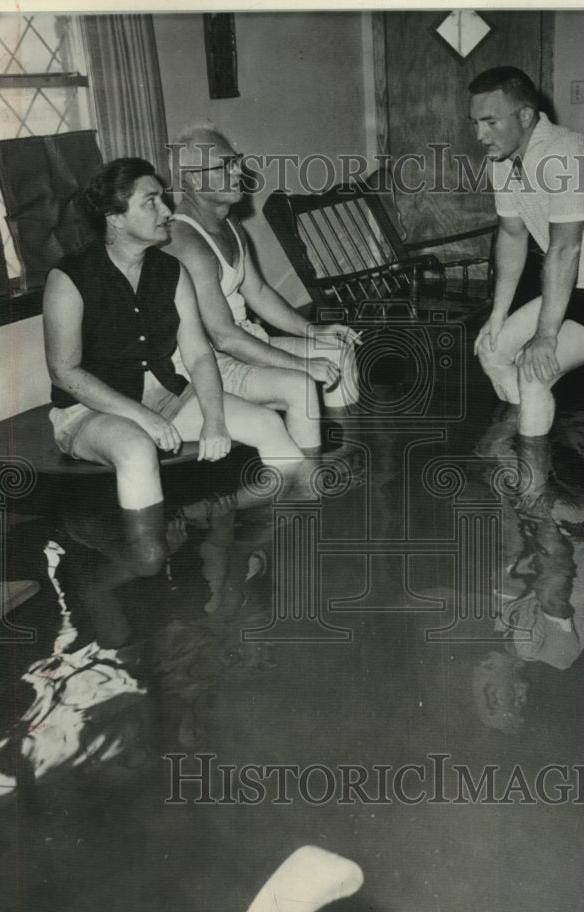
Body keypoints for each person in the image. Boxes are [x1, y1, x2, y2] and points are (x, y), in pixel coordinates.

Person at [43, 157, 307, 643]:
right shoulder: (70, 278)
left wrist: (213, 420)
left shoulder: (170, 270)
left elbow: (200, 355)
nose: (166, 209)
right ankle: (101, 581)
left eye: (163, 198)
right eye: (152, 201)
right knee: (148, 544)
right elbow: (66, 372)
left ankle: (250, 520)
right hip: (90, 412)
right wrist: (140, 416)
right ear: (116, 218)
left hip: (168, 400)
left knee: (272, 430)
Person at [468, 66, 584, 447]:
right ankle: (527, 428)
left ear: (525, 116)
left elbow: (564, 248)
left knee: (534, 372)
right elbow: (511, 234)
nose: (480, 135)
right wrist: (497, 314)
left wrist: (545, 335)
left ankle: (534, 485)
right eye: (475, 123)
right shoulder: (503, 160)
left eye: (490, 122)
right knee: (491, 352)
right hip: (574, 286)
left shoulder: (566, 153)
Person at [164, 124, 361, 461]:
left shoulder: (229, 224)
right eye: (225, 166)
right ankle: (306, 480)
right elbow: (223, 337)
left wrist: (313, 331)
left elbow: (258, 292)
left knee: (337, 351)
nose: (239, 170)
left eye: (236, 161)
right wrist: (301, 363)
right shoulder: (186, 241)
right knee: (299, 382)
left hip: (243, 343)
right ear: (194, 181)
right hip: (207, 365)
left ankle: (350, 453)